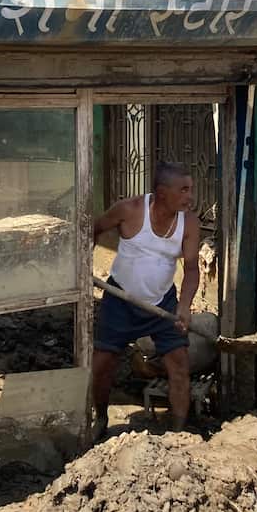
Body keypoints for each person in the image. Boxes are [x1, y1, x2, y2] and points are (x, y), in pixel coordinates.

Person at [91, 161, 201, 438]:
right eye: (184, 190)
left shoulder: (189, 223)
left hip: (162, 303)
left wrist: (185, 306)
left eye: (191, 189)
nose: (191, 197)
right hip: (120, 301)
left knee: (179, 365)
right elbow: (93, 229)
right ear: (162, 192)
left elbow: (191, 269)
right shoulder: (130, 210)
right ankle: (101, 418)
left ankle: (178, 433)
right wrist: (82, 268)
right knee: (102, 364)